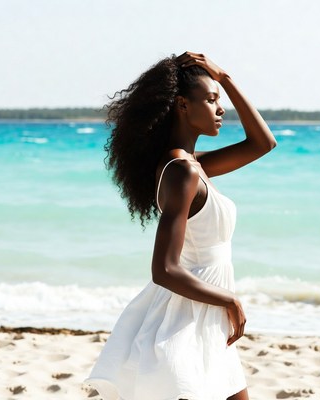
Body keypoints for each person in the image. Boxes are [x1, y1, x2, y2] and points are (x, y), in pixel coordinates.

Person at [85, 51, 277, 400]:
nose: (221, 109)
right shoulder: (183, 172)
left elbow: (263, 143)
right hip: (183, 320)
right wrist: (230, 300)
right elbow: (165, 269)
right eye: (210, 99)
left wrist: (226, 79)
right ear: (182, 105)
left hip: (206, 319)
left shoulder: (194, 165)